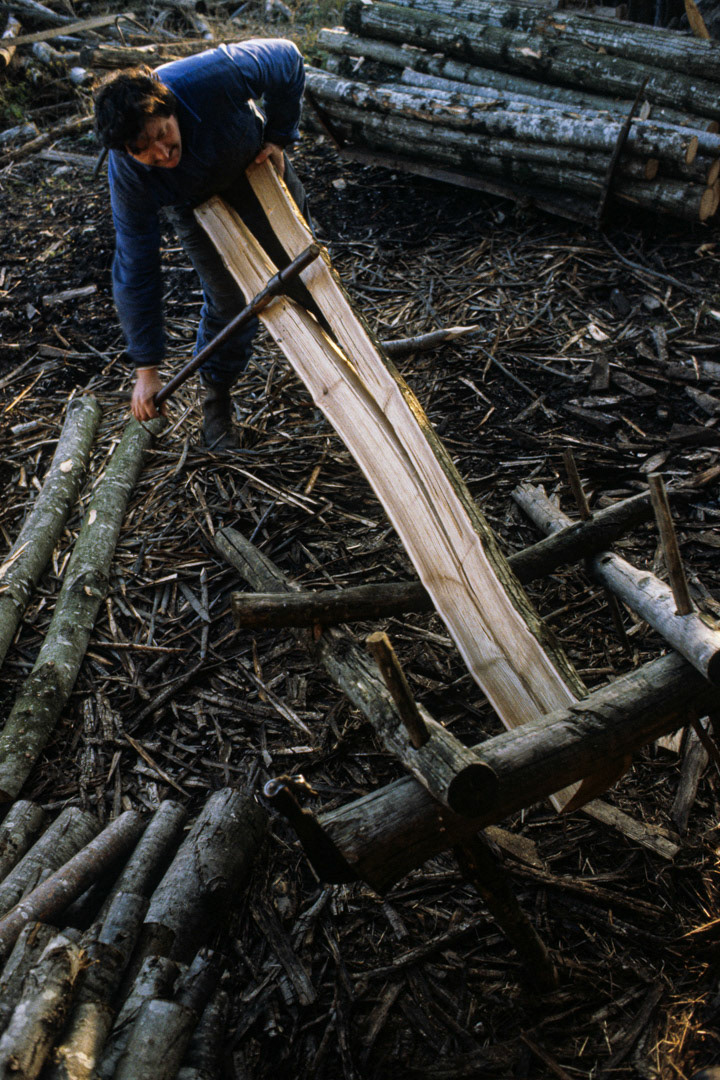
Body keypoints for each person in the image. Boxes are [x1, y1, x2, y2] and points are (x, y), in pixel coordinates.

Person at [93, 38, 311, 448]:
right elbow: (135, 264)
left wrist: (280, 135)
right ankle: (218, 401)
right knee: (229, 302)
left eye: (163, 133)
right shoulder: (129, 177)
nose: (162, 152)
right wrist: (147, 368)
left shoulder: (212, 76)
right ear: (125, 150)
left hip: (255, 164)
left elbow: (288, 58)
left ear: (167, 107)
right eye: (144, 150)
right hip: (195, 205)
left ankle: (351, 352)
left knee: (307, 267)